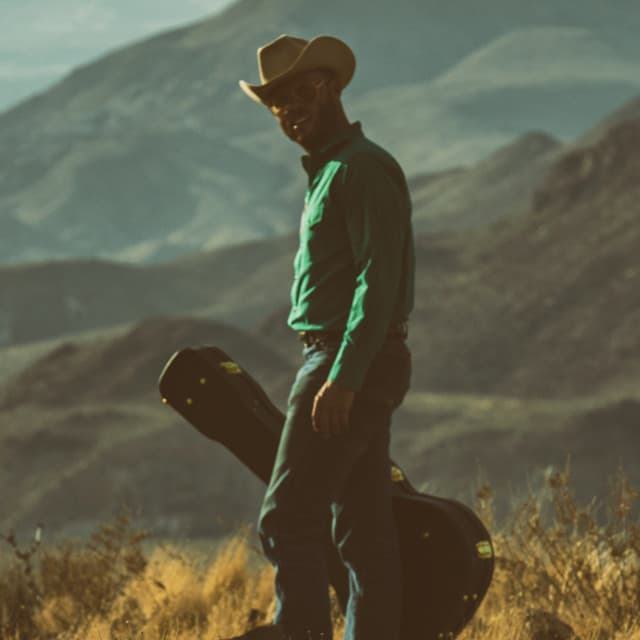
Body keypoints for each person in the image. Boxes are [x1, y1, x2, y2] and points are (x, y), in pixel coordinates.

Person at [229, 34, 415, 640]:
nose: (288, 110)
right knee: (362, 529)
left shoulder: (360, 168)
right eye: (276, 102)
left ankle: (299, 631)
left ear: (329, 86)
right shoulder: (333, 170)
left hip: (345, 357)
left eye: (300, 92)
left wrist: (342, 376)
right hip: (353, 358)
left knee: (288, 520)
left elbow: (377, 281)